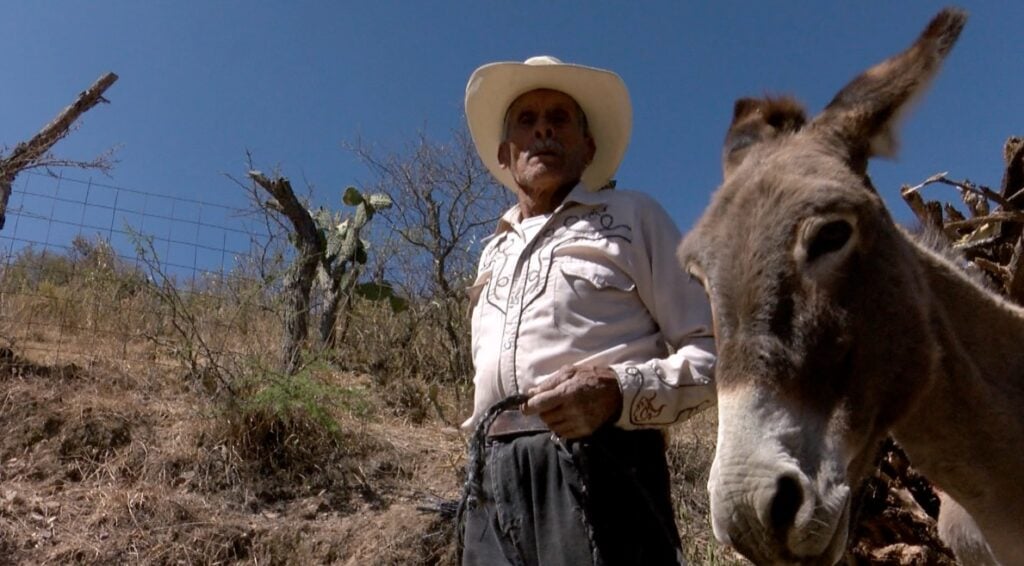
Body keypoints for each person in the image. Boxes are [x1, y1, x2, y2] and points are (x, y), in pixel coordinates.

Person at [461, 55, 716, 566]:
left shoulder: (634, 217)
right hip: (490, 480)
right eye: (527, 122)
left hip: (606, 466)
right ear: (506, 154)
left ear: (588, 147)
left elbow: (715, 355)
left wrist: (618, 392)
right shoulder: (492, 252)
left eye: (559, 119)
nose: (544, 132)